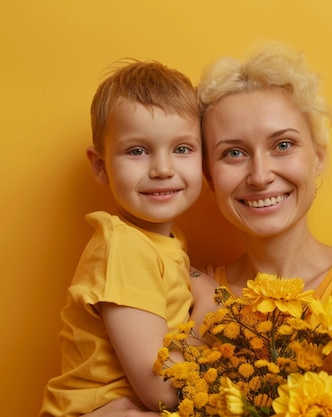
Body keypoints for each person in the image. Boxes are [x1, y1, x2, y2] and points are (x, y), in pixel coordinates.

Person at [84, 41, 332, 417]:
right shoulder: (191, 297)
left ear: (318, 157)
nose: (260, 176)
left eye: (284, 144)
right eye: (234, 153)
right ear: (208, 174)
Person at [39, 60, 216, 417]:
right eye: (137, 151)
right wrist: (209, 311)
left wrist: (196, 279)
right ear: (101, 165)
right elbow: (162, 391)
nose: (163, 169)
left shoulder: (159, 241)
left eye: (182, 149)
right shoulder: (124, 246)